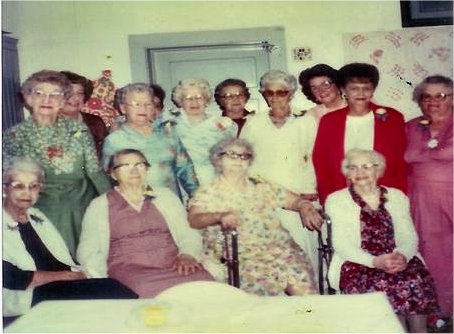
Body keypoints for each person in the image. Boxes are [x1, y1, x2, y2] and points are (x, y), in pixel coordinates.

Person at [2, 157, 138, 317]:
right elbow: (13, 278)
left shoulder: (36, 216)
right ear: (4, 188)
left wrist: (78, 275)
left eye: (33, 186)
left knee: (111, 294)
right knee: (112, 290)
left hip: (58, 286)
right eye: (19, 186)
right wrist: (69, 277)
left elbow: (61, 258)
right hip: (24, 295)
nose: (27, 192)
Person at [188, 137, 323, 296]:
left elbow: (293, 200)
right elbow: (194, 219)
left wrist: (304, 206)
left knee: (307, 297)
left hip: (280, 251)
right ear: (218, 160)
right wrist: (219, 216)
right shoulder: (209, 191)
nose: (238, 160)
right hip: (241, 258)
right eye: (231, 154)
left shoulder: (260, 184)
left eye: (244, 156)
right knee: (257, 310)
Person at [325, 149, 439, 333]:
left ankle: (420, 331)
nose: (359, 172)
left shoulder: (397, 196)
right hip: (358, 262)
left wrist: (402, 255)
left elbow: (408, 236)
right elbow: (342, 244)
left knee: (414, 278)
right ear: (347, 173)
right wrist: (375, 261)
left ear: (378, 170)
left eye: (365, 167)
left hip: (398, 258)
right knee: (379, 286)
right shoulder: (336, 200)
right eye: (352, 168)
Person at [77, 149, 213, 298]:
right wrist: (104, 281)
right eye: (125, 166)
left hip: (175, 265)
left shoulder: (165, 196)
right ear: (113, 174)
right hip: (131, 271)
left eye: (139, 165)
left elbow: (188, 232)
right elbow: (88, 250)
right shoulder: (99, 205)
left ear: (147, 169)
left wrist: (187, 255)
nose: (134, 170)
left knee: (206, 285)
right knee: (146, 292)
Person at [2, 70, 111, 256]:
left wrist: (114, 202)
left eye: (55, 94)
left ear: (62, 100)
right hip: (42, 205)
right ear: (28, 98)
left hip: (82, 202)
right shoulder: (14, 135)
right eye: (39, 93)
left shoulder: (78, 129)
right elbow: (10, 181)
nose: (47, 99)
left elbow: (93, 171)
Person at [240, 70, 319, 273]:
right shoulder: (254, 122)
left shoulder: (305, 120)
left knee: (300, 256)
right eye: (269, 92)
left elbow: (313, 156)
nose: (274, 97)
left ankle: (308, 302)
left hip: (297, 193)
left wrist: (310, 188)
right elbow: (242, 159)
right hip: (263, 196)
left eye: (281, 92)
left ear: (291, 93)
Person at [313, 62, 407, 205]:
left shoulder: (392, 117)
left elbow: (401, 162)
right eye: (354, 89)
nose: (361, 94)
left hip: (385, 197)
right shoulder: (329, 121)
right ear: (343, 90)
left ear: (373, 90)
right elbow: (321, 163)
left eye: (366, 88)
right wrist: (328, 200)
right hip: (342, 197)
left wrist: (399, 197)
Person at [405, 75, 453, 324]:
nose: (433, 101)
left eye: (441, 95)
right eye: (427, 96)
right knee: (432, 255)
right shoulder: (412, 126)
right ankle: (438, 312)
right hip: (422, 200)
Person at [102, 83, 199, 201]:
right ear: (123, 108)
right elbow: (108, 180)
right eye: (136, 104)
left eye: (148, 104)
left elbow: (185, 169)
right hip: (134, 205)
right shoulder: (114, 141)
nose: (143, 109)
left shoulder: (168, 134)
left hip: (170, 203)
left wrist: (196, 196)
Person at [167, 78, 237, 185]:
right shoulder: (170, 124)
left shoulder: (223, 125)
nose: (194, 102)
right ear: (180, 101)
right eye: (188, 98)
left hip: (213, 182)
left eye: (199, 97)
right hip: (180, 182)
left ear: (206, 100)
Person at [60, 71, 109, 160]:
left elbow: (107, 156)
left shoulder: (96, 122)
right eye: (68, 93)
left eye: (80, 93)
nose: (75, 98)